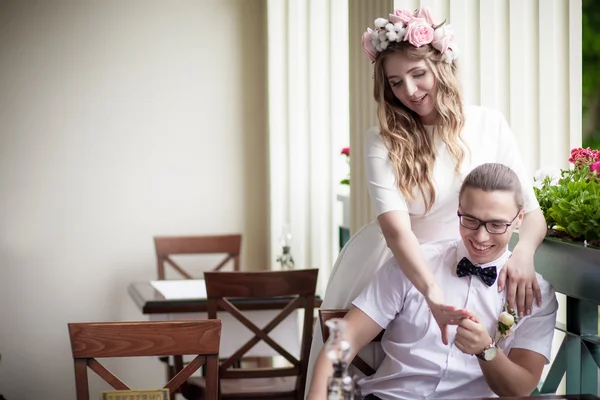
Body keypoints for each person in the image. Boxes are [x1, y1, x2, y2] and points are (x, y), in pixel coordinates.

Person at [306, 6, 548, 388]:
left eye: (418, 74)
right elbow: (397, 232)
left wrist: (523, 254)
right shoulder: (381, 139)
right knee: (374, 369)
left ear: (441, 68)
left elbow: (531, 214)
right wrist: (432, 291)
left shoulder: (489, 124)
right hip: (402, 265)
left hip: (476, 263)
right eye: (396, 82)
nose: (409, 91)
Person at [307, 163, 558, 400]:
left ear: (519, 219)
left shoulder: (537, 293)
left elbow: (520, 389)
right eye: (470, 220)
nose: (481, 236)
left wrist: (487, 350)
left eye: (496, 224)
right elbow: (347, 336)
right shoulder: (416, 264)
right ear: (458, 209)